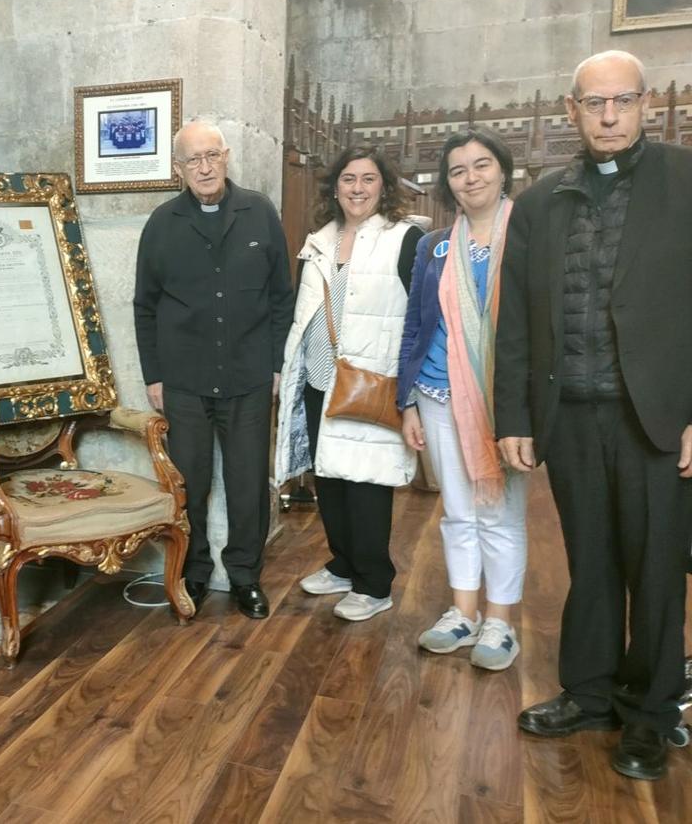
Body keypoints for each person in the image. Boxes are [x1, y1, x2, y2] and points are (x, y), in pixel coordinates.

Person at [496, 50, 692, 781]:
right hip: (571, 414)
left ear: (647, 104)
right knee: (592, 563)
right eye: (593, 103)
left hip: (658, 418)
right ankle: (590, 693)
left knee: (656, 569)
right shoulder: (542, 201)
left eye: (623, 101)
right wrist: (513, 415)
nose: (608, 116)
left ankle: (650, 712)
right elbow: (513, 319)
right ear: (571, 112)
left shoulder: (685, 180)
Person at [133, 120, 295, 619]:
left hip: (248, 378)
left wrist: (274, 366)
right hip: (183, 382)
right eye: (192, 160)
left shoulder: (260, 213)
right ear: (178, 169)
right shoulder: (161, 224)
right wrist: (154, 377)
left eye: (212, 156)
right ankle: (194, 574)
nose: (204, 168)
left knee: (248, 484)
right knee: (190, 484)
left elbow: (280, 298)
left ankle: (245, 577)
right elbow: (145, 305)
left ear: (226, 157)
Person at [274, 146, 422, 622]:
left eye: (368, 179)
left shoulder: (404, 238)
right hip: (320, 377)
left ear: (384, 186)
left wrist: (411, 387)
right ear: (334, 188)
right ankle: (343, 563)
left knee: (366, 482)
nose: (357, 188)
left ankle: (374, 583)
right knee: (329, 478)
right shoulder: (319, 240)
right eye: (348, 180)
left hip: (369, 380)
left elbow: (420, 316)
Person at [397, 128, 526, 670]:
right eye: (458, 170)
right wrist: (405, 400)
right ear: (447, 183)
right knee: (457, 509)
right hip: (435, 392)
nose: (471, 177)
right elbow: (415, 324)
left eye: (481, 165)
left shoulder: (527, 234)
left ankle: (500, 622)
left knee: (498, 510)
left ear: (502, 170)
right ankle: (462, 611)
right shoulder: (433, 245)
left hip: (503, 399)